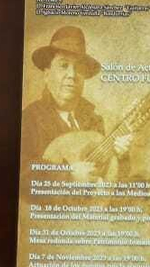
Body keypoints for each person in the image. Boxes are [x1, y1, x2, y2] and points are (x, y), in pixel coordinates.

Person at [19, 26, 132, 179]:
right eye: (63, 65)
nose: (72, 75)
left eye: (78, 67)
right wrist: (69, 174)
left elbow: (107, 181)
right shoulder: (29, 118)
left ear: (84, 77)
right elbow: (20, 172)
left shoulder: (94, 121)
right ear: (47, 75)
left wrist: (119, 156)